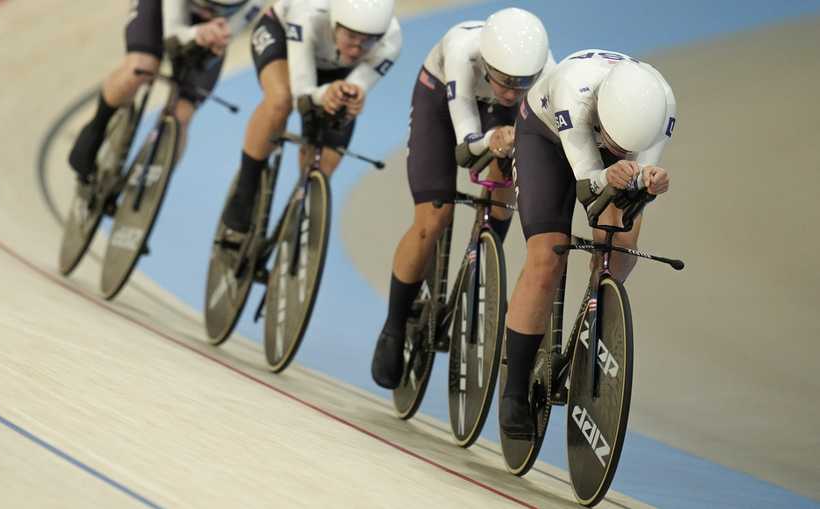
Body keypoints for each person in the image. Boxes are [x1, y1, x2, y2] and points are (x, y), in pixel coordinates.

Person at [370, 8, 555, 389]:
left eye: (521, 84)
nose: (510, 91)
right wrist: (491, 141)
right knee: (433, 219)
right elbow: (466, 146)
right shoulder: (461, 50)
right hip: (442, 102)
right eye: (504, 82)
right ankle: (393, 324)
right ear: (486, 62)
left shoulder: (545, 73)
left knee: (508, 179)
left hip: (505, 119)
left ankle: (482, 262)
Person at [500, 49, 677, 438]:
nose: (617, 149)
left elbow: (633, 181)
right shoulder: (574, 90)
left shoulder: (661, 107)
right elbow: (587, 184)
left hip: (607, 145)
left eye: (624, 146)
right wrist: (609, 172)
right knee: (547, 256)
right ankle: (513, 390)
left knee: (621, 252)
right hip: (547, 136)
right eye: (612, 141)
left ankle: (593, 313)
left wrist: (648, 182)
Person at [218, 0, 402, 244]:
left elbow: (357, 86)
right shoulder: (309, 12)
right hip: (284, 39)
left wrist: (351, 97)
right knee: (280, 102)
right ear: (336, 23)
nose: (357, 49)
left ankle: (295, 224)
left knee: (326, 160)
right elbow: (301, 94)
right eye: (351, 36)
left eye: (368, 40)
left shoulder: (391, 40)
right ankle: (245, 192)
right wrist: (323, 95)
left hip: (336, 70)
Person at [67, 0, 264, 193]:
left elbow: (229, 31)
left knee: (183, 114)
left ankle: (151, 189)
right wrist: (197, 33)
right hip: (163, 8)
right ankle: (97, 126)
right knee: (140, 68)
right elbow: (173, 35)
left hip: (211, 26)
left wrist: (216, 35)